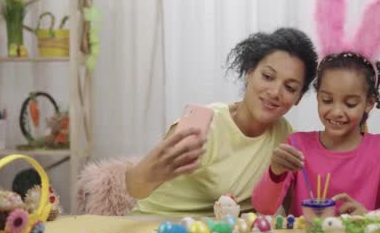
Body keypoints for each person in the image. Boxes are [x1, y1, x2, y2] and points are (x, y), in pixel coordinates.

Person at [252, 0, 380, 221]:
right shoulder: (297, 144)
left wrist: (372, 217)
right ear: (317, 95)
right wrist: (275, 172)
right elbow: (264, 207)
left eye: (350, 103)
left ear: (370, 102)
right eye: (327, 100)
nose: (336, 112)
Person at [125, 27, 318, 216]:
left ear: (298, 98)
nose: (275, 92)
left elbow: (287, 207)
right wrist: (149, 170)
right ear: (249, 72)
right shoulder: (203, 123)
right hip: (158, 227)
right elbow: (136, 187)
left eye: (290, 87)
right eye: (267, 77)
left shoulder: (284, 134)